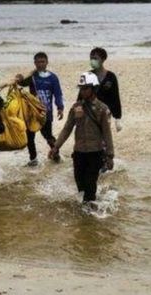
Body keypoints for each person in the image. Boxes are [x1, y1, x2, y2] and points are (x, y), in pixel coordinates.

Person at [49, 72, 114, 209]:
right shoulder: (75, 107)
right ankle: (85, 216)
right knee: (81, 187)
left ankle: (89, 221)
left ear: (94, 89)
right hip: (79, 153)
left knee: (90, 187)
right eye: (81, 88)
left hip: (95, 154)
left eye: (86, 88)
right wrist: (56, 147)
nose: (83, 91)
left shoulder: (102, 109)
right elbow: (67, 129)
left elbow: (107, 134)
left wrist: (110, 155)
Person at [15, 52, 64, 166]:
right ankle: (33, 159)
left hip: (46, 113)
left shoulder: (53, 78)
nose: (40, 64)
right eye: (38, 62)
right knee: (30, 136)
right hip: (32, 113)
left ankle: (55, 154)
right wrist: (19, 78)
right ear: (34, 63)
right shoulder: (32, 77)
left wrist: (60, 107)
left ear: (47, 62)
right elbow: (21, 83)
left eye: (42, 61)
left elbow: (58, 94)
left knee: (47, 135)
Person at [88, 47, 122, 132]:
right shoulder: (88, 75)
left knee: (104, 136)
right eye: (91, 58)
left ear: (103, 59)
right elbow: (81, 95)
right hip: (90, 112)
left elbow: (115, 97)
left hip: (105, 112)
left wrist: (117, 118)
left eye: (95, 58)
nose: (92, 60)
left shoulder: (111, 77)